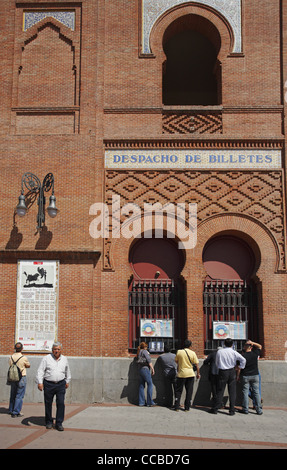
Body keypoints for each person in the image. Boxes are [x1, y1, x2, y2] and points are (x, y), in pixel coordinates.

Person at [36, 342, 71, 431]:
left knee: (61, 403)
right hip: (48, 384)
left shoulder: (64, 359)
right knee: (48, 403)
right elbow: (40, 371)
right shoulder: (46, 358)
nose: (56, 351)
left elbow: (67, 371)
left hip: (60, 384)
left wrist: (67, 380)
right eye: (55, 349)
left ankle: (59, 423)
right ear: (52, 350)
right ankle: (49, 422)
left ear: (61, 350)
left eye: (58, 349)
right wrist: (40, 382)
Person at [209, 337, 246, 415]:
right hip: (232, 371)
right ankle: (232, 410)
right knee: (232, 391)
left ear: (224, 344)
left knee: (220, 390)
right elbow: (243, 360)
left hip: (222, 371)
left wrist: (220, 366)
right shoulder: (233, 352)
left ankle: (215, 408)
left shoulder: (220, 352)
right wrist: (240, 367)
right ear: (232, 344)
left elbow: (217, 362)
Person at [174, 339, 200, 412]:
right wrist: (198, 374)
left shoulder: (179, 352)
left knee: (178, 391)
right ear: (190, 346)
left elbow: (176, 361)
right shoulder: (193, 353)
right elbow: (197, 365)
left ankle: (176, 407)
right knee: (189, 391)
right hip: (190, 374)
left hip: (181, 374)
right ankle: (187, 408)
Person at [240, 339, 263, 415]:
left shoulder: (242, 356)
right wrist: (252, 343)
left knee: (245, 392)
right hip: (255, 375)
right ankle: (258, 409)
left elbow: (239, 367)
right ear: (251, 347)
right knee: (256, 392)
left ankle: (245, 409)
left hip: (245, 375)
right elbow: (260, 346)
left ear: (244, 347)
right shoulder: (255, 354)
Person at [8, 342, 30, 417]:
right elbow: (28, 365)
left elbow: (10, 364)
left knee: (13, 394)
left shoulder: (11, 357)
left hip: (13, 377)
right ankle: (16, 412)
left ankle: (11, 409)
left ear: (15, 348)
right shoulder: (23, 358)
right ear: (22, 349)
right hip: (21, 377)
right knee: (19, 395)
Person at [137, 342, 155, 406]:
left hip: (140, 370)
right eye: (146, 347)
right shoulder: (144, 351)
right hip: (145, 369)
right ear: (145, 347)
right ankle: (149, 402)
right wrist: (152, 369)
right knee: (150, 384)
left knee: (141, 385)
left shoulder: (139, 352)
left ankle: (141, 402)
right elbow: (149, 360)